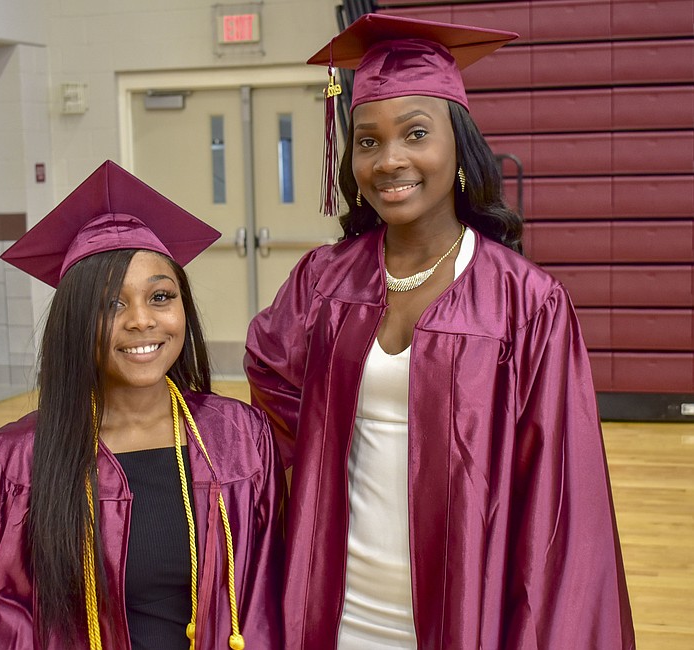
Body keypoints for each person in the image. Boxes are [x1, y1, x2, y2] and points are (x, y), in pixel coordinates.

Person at [244, 14, 635, 650]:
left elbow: (561, 500)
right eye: (367, 142)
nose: (389, 160)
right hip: (332, 606)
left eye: (415, 134)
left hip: (466, 608)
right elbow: (270, 382)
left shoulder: (524, 303)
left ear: (458, 146)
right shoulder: (323, 281)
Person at [0, 160, 285, 650]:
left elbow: (273, 584)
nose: (142, 321)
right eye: (111, 304)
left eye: (161, 297)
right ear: (75, 322)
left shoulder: (238, 438)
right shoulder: (13, 462)